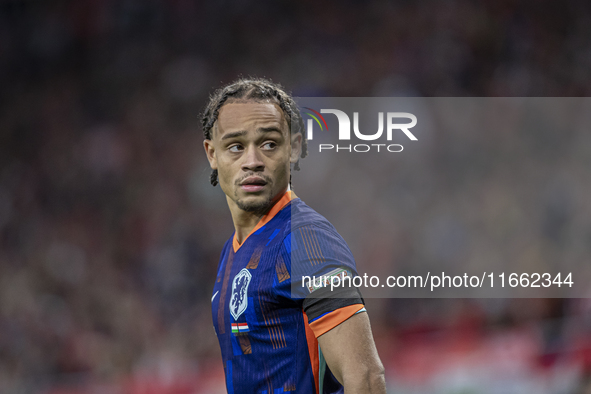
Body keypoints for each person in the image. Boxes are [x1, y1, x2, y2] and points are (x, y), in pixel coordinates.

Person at [202, 77, 386, 394]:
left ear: (295, 148)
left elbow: (366, 377)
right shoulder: (233, 250)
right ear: (212, 154)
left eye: (269, 144)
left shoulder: (305, 239)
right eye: (235, 146)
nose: (252, 161)